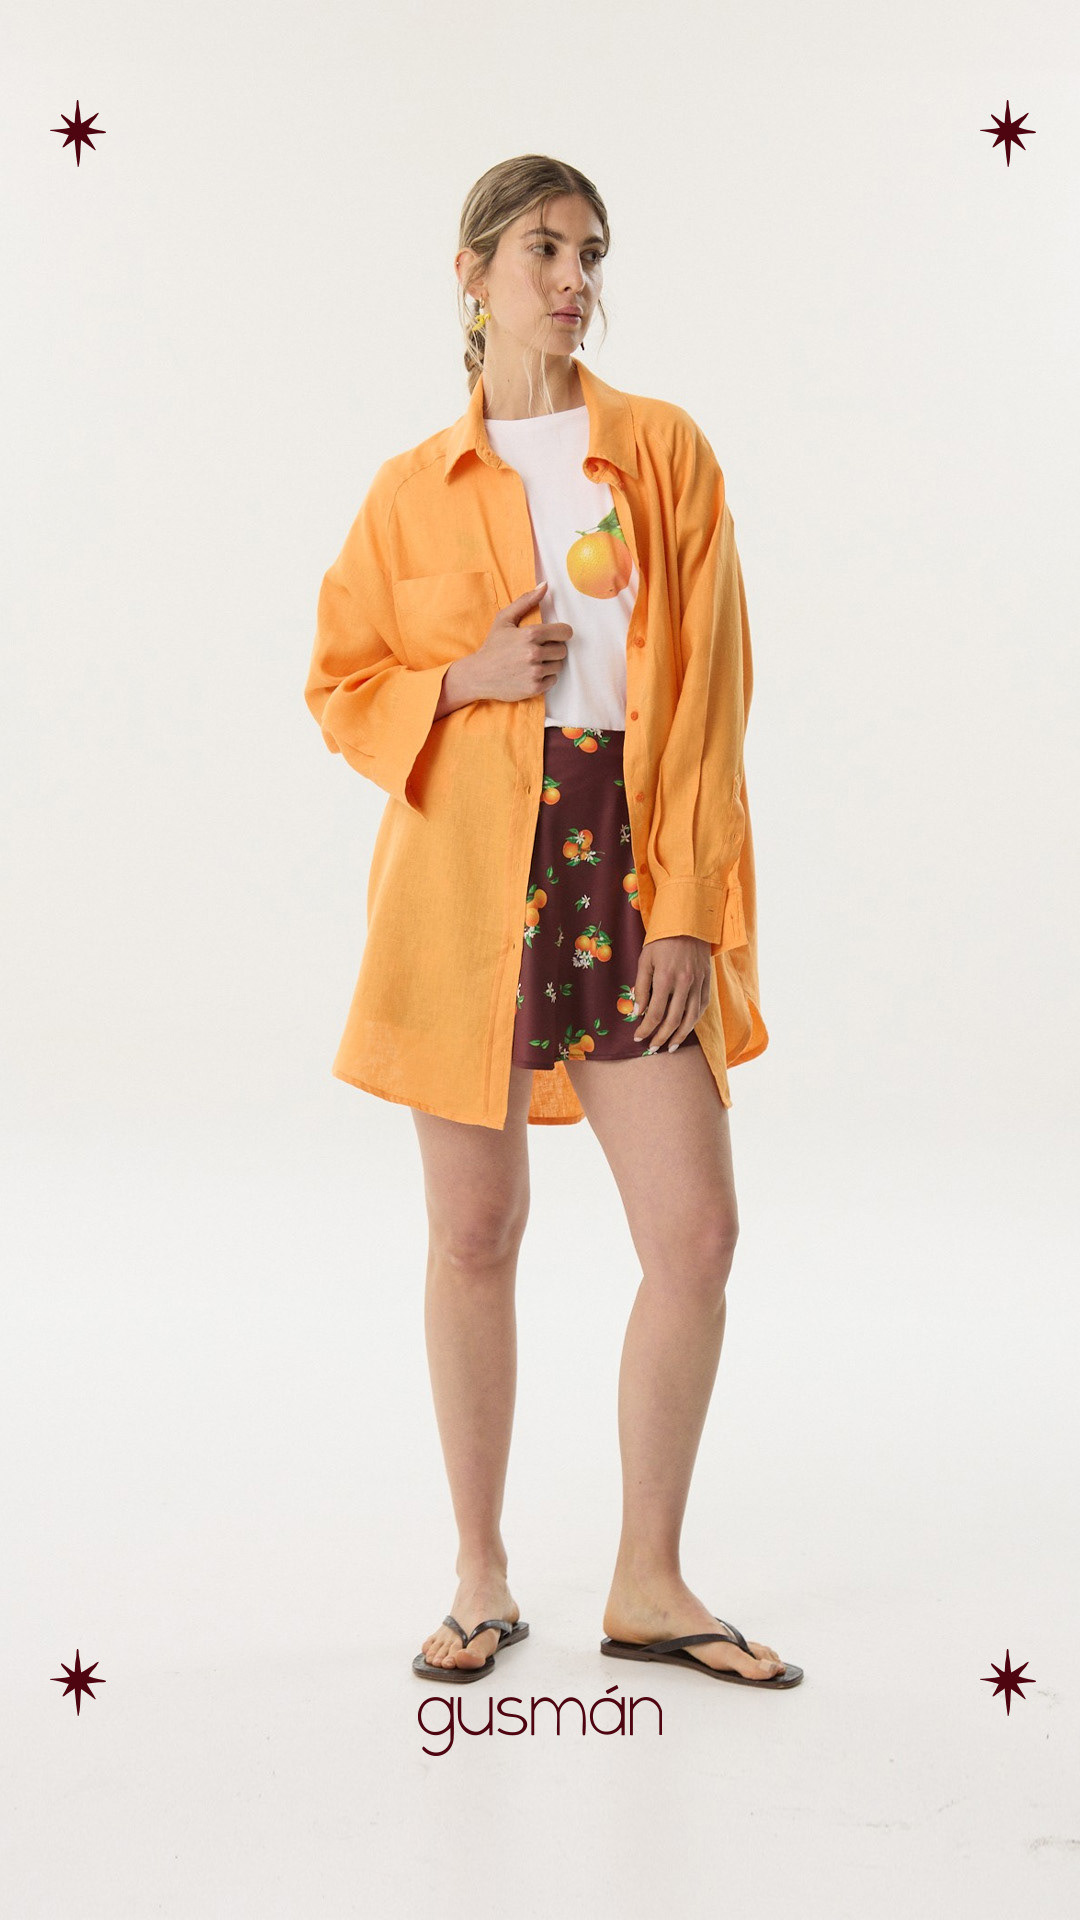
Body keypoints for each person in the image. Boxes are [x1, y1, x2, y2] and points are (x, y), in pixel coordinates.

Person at [304, 155, 801, 1690]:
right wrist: (460, 679)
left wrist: (692, 910)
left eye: (591, 252)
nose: (575, 279)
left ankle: (650, 1580)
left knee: (696, 1235)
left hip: (627, 867)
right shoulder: (409, 489)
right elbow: (339, 683)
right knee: (474, 1233)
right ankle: (480, 1575)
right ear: (473, 273)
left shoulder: (661, 453)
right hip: (465, 883)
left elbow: (711, 702)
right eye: (544, 249)